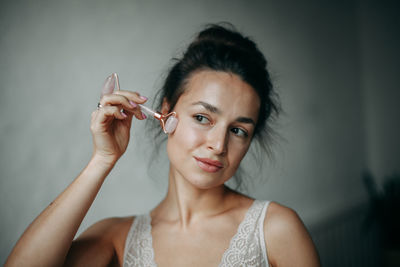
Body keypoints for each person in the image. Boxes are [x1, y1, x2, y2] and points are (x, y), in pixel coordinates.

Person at [5, 24, 320, 267]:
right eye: (202, 117)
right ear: (166, 113)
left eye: (238, 130)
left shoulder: (276, 230)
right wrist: (102, 159)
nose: (219, 145)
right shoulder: (117, 238)